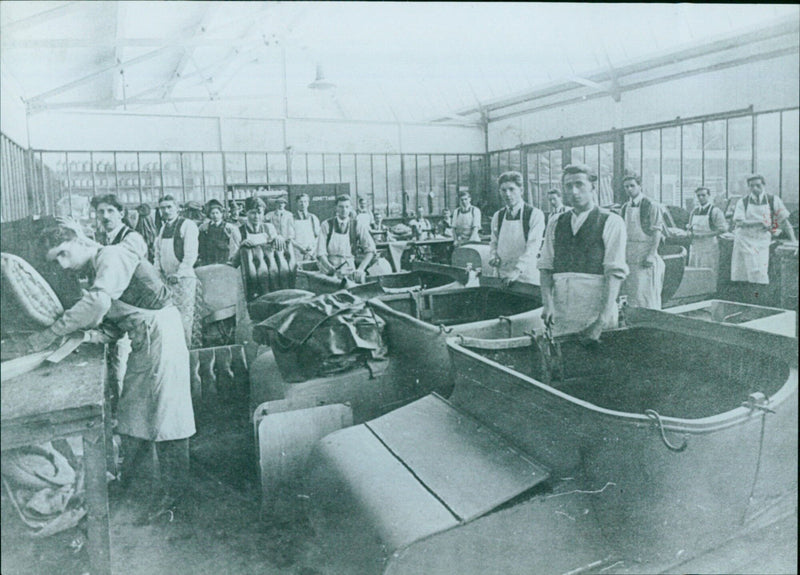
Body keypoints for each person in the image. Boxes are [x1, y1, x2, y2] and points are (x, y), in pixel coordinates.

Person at [24, 225, 195, 525]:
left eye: (63, 254)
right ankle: (133, 487)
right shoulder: (95, 270)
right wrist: (85, 338)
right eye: (56, 260)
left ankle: (175, 498)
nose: (63, 264)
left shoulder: (111, 257)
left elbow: (100, 303)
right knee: (133, 414)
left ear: (79, 242)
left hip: (160, 337)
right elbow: (115, 322)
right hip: (143, 338)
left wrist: (52, 332)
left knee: (167, 417)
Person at [539, 163, 628, 341]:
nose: (574, 191)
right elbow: (546, 267)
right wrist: (547, 305)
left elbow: (614, 273)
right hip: (562, 311)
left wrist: (601, 321)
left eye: (579, 184)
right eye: (568, 186)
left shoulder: (611, 221)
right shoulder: (556, 222)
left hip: (594, 312)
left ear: (592, 187)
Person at [730, 174, 796, 295]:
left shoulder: (773, 200)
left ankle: (758, 301)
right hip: (744, 240)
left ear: (763, 185)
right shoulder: (743, 202)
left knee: (760, 272)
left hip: (761, 242)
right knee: (743, 273)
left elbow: (784, 221)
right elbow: (739, 222)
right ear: (748, 187)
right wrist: (760, 222)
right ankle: (746, 300)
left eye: (758, 185)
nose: (755, 188)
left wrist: (794, 241)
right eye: (751, 186)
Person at [154, 195, 199, 347]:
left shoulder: (187, 225)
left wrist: (179, 273)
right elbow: (158, 254)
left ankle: (186, 350)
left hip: (184, 279)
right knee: (168, 318)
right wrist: (157, 273)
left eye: (169, 207)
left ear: (177, 208)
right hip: (166, 280)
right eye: (162, 208)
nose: (166, 211)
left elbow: (190, 253)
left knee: (184, 318)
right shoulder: (163, 228)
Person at [488, 171, 546, 287]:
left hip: (526, 276)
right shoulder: (498, 216)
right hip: (502, 275)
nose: (507, 194)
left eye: (511, 189)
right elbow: (494, 243)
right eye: (503, 190)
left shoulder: (534, 214)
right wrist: (494, 256)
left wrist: (517, 270)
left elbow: (533, 247)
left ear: (521, 190)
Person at [619, 171, 665, 309]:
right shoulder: (625, 207)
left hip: (645, 253)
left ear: (640, 186)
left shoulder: (651, 205)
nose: (629, 189)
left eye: (632, 186)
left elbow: (657, 232)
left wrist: (651, 255)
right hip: (630, 253)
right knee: (632, 293)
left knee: (645, 293)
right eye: (626, 187)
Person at [317, 195, 376, 284]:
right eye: (340, 207)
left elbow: (371, 250)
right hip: (329, 268)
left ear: (351, 208)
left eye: (347, 207)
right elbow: (321, 253)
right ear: (336, 208)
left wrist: (360, 269)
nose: (344, 210)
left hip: (349, 267)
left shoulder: (357, 225)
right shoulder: (326, 224)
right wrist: (332, 270)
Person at [89, 194, 148, 260]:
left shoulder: (133, 238)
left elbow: (114, 256)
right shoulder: (106, 237)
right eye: (101, 212)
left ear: (121, 214)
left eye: (110, 211)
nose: (105, 216)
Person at [686, 187, 728, 275]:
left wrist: (705, 235)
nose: (701, 197)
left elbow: (723, 229)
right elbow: (690, 227)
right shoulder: (694, 211)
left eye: (703, 195)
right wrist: (690, 233)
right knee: (695, 271)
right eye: (698, 196)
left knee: (709, 271)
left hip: (709, 246)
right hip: (696, 246)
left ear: (709, 196)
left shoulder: (715, 211)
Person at [198, 199, 241, 266]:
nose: (215, 215)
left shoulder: (229, 227)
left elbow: (235, 245)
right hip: (208, 259)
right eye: (213, 213)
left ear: (221, 214)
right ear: (209, 214)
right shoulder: (204, 227)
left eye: (217, 213)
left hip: (223, 258)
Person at [292, 193, 320, 261]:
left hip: (312, 252)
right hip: (297, 253)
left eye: (305, 201)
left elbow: (318, 235)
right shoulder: (291, 218)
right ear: (297, 203)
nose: (303, 204)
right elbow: (290, 238)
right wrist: (301, 248)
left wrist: (312, 248)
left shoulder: (313, 218)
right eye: (301, 202)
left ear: (308, 203)